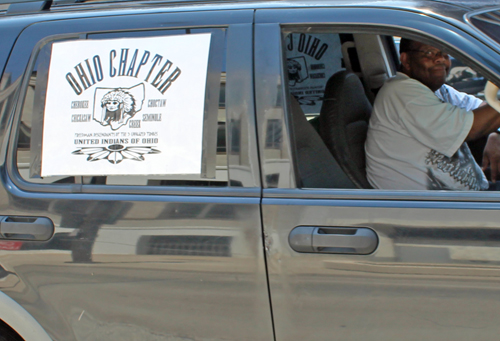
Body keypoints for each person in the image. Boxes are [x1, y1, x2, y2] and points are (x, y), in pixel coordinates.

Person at [365, 38, 500, 190]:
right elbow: (474, 127)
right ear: (406, 60)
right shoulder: (403, 92)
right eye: (429, 53)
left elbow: (484, 112)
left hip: (467, 200)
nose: (440, 59)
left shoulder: (438, 90)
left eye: (444, 53)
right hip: (431, 209)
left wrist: (496, 133)